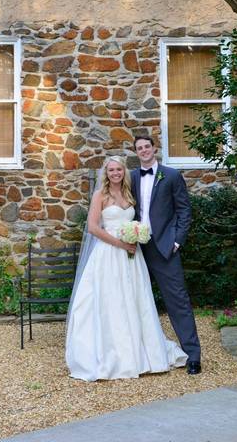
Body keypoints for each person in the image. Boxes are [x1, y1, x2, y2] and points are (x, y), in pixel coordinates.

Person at [64, 156, 187, 381]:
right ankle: (115, 356)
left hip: (132, 256)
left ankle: (141, 352)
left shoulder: (130, 194)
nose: (115, 173)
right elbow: (92, 227)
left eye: (119, 169)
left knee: (134, 299)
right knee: (111, 301)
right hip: (109, 254)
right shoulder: (100, 195)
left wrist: (138, 235)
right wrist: (121, 243)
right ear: (106, 173)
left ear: (124, 171)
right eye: (111, 170)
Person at [130, 135, 202, 375]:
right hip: (136, 248)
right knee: (132, 301)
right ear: (136, 152)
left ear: (154, 149)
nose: (144, 151)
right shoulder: (130, 177)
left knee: (178, 301)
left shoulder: (171, 175)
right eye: (139, 148)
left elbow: (184, 210)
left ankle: (193, 356)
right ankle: (135, 356)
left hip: (164, 248)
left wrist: (177, 241)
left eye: (147, 146)